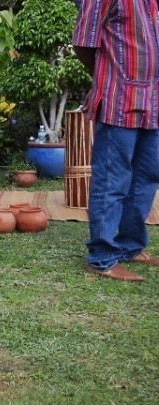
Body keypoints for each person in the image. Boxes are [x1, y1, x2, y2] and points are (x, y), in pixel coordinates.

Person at [73, 0, 159, 281]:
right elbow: (83, 43)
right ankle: (102, 257)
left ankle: (130, 245)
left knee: (147, 175)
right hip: (118, 100)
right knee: (112, 180)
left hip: (153, 101)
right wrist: (104, 79)